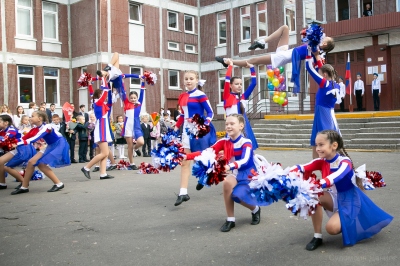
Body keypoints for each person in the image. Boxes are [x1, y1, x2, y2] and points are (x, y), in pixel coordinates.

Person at [290, 130, 392, 250]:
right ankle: (317, 236)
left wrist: (320, 183)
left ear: (334, 146)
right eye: (316, 145)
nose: (317, 148)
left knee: (331, 229)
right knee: (313, 196)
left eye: (321, 145)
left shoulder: (344, 162)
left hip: (350, 201)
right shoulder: (321, 161)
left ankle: (351, 221)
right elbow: (302, 167)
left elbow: (336, 176)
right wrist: (285, 175)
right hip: (334, 197)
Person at [184, 114, 260, 232]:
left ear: (241, 126)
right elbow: (206, 152)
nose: (228, 126)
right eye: (226, 124)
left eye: (232, 124)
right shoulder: (224, 141)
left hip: (247, 173)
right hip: (234, 172)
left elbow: (245, 160)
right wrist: (187, 156)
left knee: (237, 196)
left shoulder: (246, 142)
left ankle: (255, 209)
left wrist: (228, 166)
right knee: (227, 184)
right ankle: (230, 219)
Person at [216, 25, 335, 93]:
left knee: (253, 61)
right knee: (285, 28)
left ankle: (228, 62)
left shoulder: (316, 50)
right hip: (286, 51)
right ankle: (262, 42)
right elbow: (305, 35)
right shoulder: (314, 45)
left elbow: (320, 65)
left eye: (325, 39)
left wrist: (317, 54)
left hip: (283, 57)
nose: (323, 37)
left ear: (325, 44)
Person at [174, 70, 216, 206]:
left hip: (199, 131)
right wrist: (175, 128)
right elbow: (182, 115)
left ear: (197, 80)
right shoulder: (182, 96)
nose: (188, 81)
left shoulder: (200, 95)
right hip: (186, 131)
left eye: (191, 78)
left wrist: (204, 125)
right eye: (186, 79)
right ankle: (183, 193)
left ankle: (203, 178)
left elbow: (210, 112)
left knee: (201, 159)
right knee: (185, 161)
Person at [11, 111, 69, 195]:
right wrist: (10, 141)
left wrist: (16, 144)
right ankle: (25, 186)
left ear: (39, 119)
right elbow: (24, 138)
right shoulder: (35, 129)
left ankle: (24, 187)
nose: (30, 118)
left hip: (59, 145)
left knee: (36, 163)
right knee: (34, 163)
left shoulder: (47, 127)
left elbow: (34, 139)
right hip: (51, 145)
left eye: (32, 116)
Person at [306, 47, 341, 159]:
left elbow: (309, 68)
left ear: (324, 75)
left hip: (323, 116)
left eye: (320, 73)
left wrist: (307, 52)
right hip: (325, 115)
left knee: (326, 145)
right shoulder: (335, 85)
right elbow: (321, 68)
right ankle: (318, 170)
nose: (318, 74)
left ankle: (333, 170)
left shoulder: (324, 83)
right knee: (317, 144)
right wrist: (316, 56)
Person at [81, 78, 114, 180]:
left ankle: (103, 173)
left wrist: (90, 84)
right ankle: (86, 168)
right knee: (104, 153)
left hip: (103, 127)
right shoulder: (98, 103)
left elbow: (92, 93)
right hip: (102, 127)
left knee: (105, 152)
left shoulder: (97, 102)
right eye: (101, 94)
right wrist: (104, 79)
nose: (104, 96)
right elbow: (104, 93)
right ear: (99, 96)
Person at [223, 59, 258, 150]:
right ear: (230, 86)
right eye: (236, 84)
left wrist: (251, 67)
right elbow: (227, 80)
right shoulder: (227, 96)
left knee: (248, 150)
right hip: (232, 126)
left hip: (243, 126)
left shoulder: (242, 97)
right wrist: (231, 65)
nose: (239, 86)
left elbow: (254, 83)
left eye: (241, 84)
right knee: (232, 151)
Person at [0, 115, 36, 190]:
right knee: (1, 161)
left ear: (6, 123)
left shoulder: (12, 130)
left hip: (23, 149)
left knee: (7, 167)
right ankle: (2, 183)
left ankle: (24, 183)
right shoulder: (2, 131)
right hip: (16, 149)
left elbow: (4, 140)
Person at [120, 78, 147, 168]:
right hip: (128, 126)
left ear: (137, 98)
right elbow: (123, 92)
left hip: (136, 125)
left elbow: (142, 92)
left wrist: (142, 82)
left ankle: (136, 149)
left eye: (134, 98)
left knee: (141, 142)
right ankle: (132, 163)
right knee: (130, 145)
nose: (133, 99)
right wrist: (122, 82)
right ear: (129, 98)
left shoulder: (139, 103)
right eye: (131, 98)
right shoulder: (126, 102)